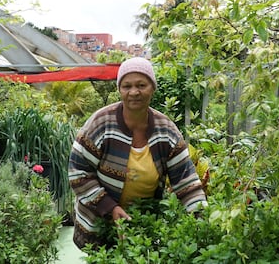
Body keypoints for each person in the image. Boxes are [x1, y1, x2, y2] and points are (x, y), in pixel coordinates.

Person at [68, 57, 207, 249]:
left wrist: (202, 221)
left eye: (142, 85)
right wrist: (110, 208)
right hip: (98, 220)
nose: (134, 92)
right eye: (127, 86)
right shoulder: (100, 124)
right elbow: (78, 174)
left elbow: (186, 181)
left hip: (143, 223)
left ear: (153, 88)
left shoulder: (165, 130)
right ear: (119, 90)